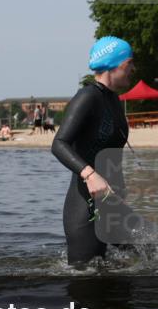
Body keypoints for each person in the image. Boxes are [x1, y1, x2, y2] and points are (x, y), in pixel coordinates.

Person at [51, 36, 136, 266]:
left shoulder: (113, 100)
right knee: (88, 284)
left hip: (113, 205)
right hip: (85, 210)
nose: (133, 69)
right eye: (130, 64)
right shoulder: (87, 97)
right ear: (114, 65)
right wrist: (89, 174)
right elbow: (59, 144)